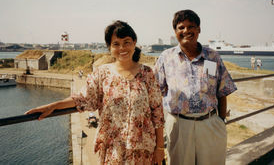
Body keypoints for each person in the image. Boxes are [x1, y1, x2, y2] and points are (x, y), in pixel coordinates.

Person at [26, 20, 165, 164]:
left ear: (134, 43)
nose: (122, 47)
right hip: (113, 150)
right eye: (116, 44)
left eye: (127, 42)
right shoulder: (102, 73)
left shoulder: (147, 73)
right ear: (109, 47)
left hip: (143, 150)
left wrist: (160, 148)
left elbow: (157, 113)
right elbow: (83, 98)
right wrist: (53, 106)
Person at [154, 10, 237, 165]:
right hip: (179, 126)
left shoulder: (212, 57)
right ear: (175, 31)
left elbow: (222, 91)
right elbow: (154, 95)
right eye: (181, 27)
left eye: (191, 26)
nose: (186, 31)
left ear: (199, 29)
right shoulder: (166, 58)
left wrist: (221, 120)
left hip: (210, 124)